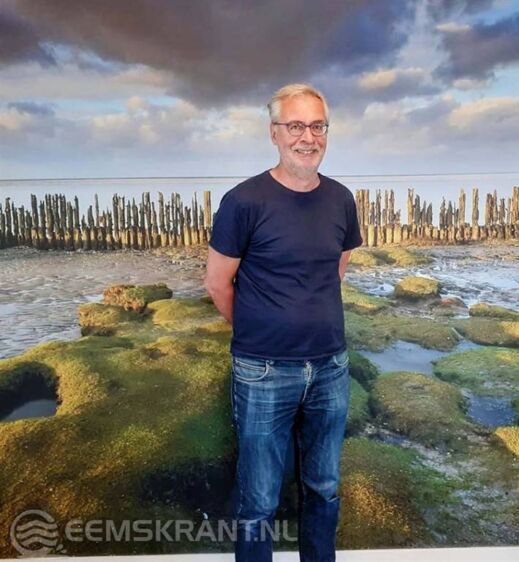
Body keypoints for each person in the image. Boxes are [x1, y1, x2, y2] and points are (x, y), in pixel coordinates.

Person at [204, 83, 362, 562]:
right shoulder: (243, 201)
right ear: (275, 133)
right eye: (295, 126)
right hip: (263, 371)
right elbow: (217, 284)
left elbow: (336, 269)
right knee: (258, 500)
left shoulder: (341, 199)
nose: (307, 136)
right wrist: (259, 330)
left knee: (324, 487)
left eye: (317, 126)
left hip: (331, 368)